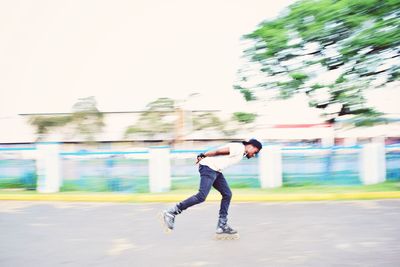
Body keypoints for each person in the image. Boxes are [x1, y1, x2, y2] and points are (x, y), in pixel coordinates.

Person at [160, 139, 262, 238]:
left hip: (216, 170)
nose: (253, 155)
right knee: (201, 196)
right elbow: (219, 151)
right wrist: (203, 155)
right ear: (251, 146)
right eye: (255, 152)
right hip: (209, 168)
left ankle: (222, 225)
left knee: (227, 194)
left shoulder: (241, 152)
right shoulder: (239, 148)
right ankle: (171, 212)